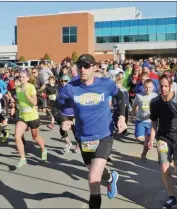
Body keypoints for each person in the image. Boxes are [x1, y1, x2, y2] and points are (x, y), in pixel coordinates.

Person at [52, 54, 127, 209]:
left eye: (86, 66)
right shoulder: (70, 88)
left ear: (94, 67)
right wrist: (62, 120)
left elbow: (120, 97)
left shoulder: (105, 84)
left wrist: (122, 118)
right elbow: (55, 108)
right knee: (92, 169)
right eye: (80, 66)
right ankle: (111, 179)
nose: (83, 69)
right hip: (83, 137)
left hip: (104, 135)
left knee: (93, 178)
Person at [149, 74, 177, 209]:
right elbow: (154, 122)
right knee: (164, 168)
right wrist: (151, 137)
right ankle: (172, 197)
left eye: (166, 86)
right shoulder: (154, 102)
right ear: (158, 86)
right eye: (161, 86)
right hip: (163, 138)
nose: (163, 88)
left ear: (171, 85)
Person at [14, 69, 47, 168]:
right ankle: (23, 158)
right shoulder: (17, 87)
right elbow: (20, 101)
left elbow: (35, 103)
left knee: (35, 137)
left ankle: (43, 150)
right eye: (20, 77)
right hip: (22, 116)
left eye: (23, 77)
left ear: (28, 78)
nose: (21, 78)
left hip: (32, 116)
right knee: (17, 136)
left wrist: (26, 93)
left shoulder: (31, 87)